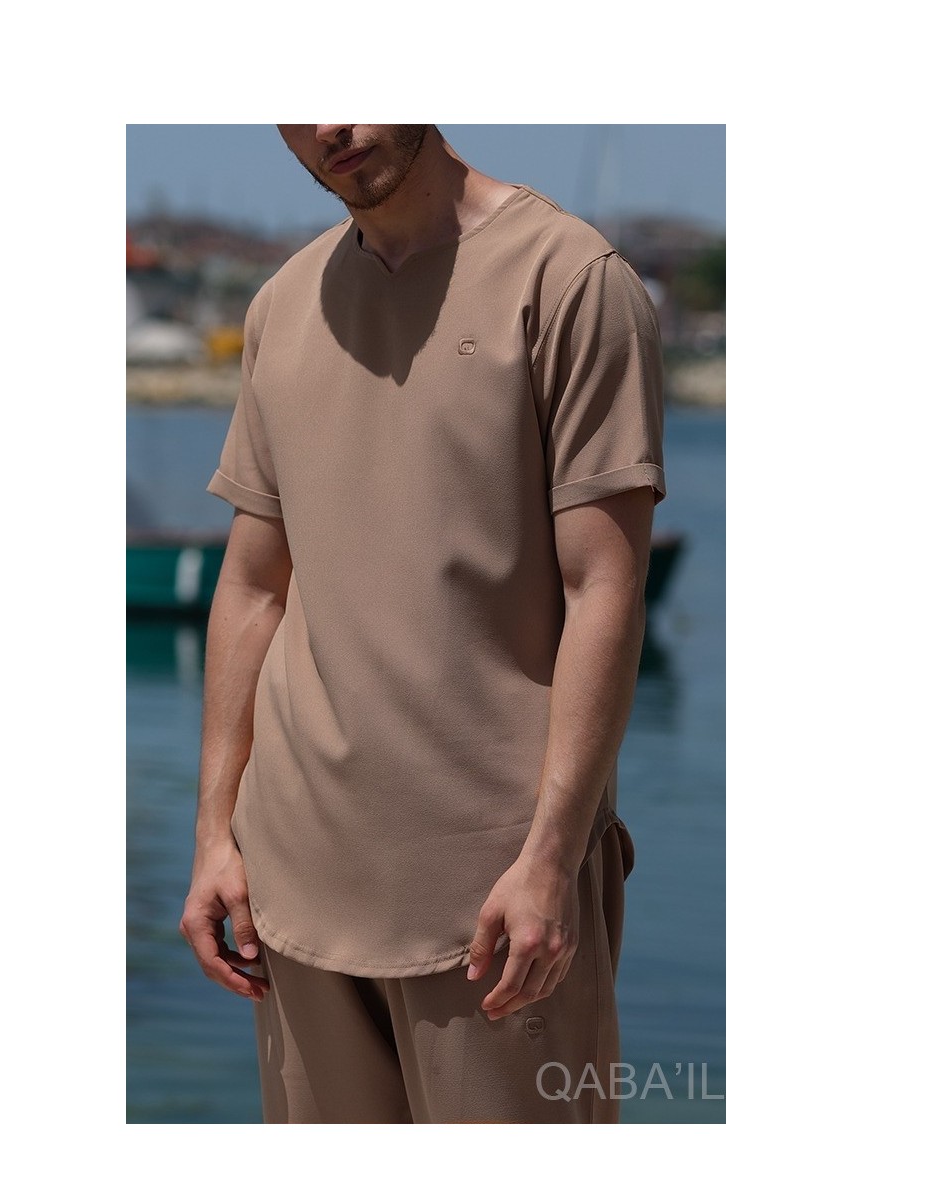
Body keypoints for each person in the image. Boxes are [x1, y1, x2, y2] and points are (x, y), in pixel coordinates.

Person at [179, 124, 665, 1123]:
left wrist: (550, 857)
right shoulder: (283, 304)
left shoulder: (572, 280)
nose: (329, 128)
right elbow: (254, 587)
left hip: (496, 902)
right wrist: (214, 834)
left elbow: (604, 590)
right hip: (292, 887)